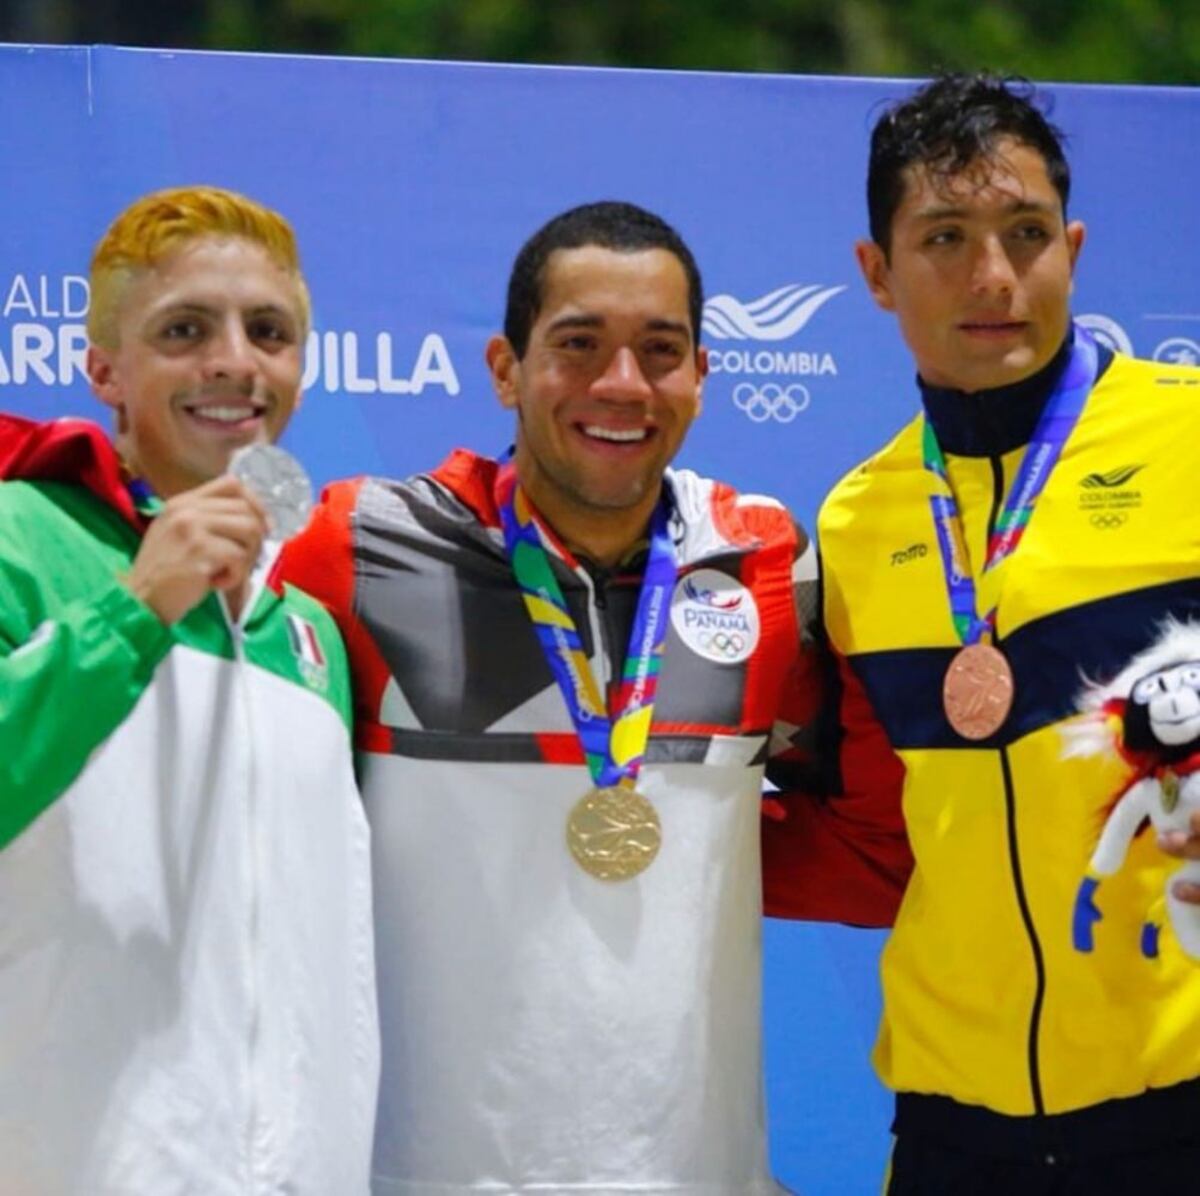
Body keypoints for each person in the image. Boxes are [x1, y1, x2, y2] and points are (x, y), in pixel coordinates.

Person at [280, 200, 836, 1195]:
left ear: (703, 376)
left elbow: (869, 833)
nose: (621, 384)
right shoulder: (356, 547)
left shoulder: (765, 562)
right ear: (506, 367)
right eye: (579, 345)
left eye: (659, 349)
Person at [764, 73, 1200, 1192]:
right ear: (875, 272)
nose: (993, 276)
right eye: (945, 237)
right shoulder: (856, 522)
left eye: (1026, 233)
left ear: (1076, 246)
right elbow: (871, 820)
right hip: (956, 1119)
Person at [0, 186, 379, 1194]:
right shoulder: (18, 538)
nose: (234, 362)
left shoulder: (311, 633)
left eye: (269, 331)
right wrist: (137, 602)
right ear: (102, 369)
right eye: (183, 330)